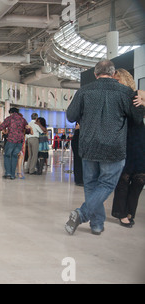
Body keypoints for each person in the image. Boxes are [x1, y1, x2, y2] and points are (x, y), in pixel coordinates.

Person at [65, 59, 144, 236]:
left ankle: (96, 223)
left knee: (91, 186)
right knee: (107, 184)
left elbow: (71, 116)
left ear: (95, 74)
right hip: (114, 148)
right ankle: (88, 218)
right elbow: (137, 118)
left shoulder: (84, 91)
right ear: (113, 73)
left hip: (88, 146)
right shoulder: (125, 92)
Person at [111, 68, 145, 228]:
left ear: (125, 79)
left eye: (117, 80)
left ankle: (130, 210)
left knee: (140, 178)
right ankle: (121, 213)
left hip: (139, 139)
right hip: (122, 139)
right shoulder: (114, 97)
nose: (115, 83)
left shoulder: (139, 93)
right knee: (124, 178)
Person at [0, 107, 30, 180]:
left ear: (11, 112)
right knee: (15, 156)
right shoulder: (22, 119)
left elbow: (1, 127)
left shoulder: (9, 118)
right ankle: (12, 175)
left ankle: (8, 173)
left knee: (7, 155)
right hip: (19, 141)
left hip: (11, 139)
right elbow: (27, 130)